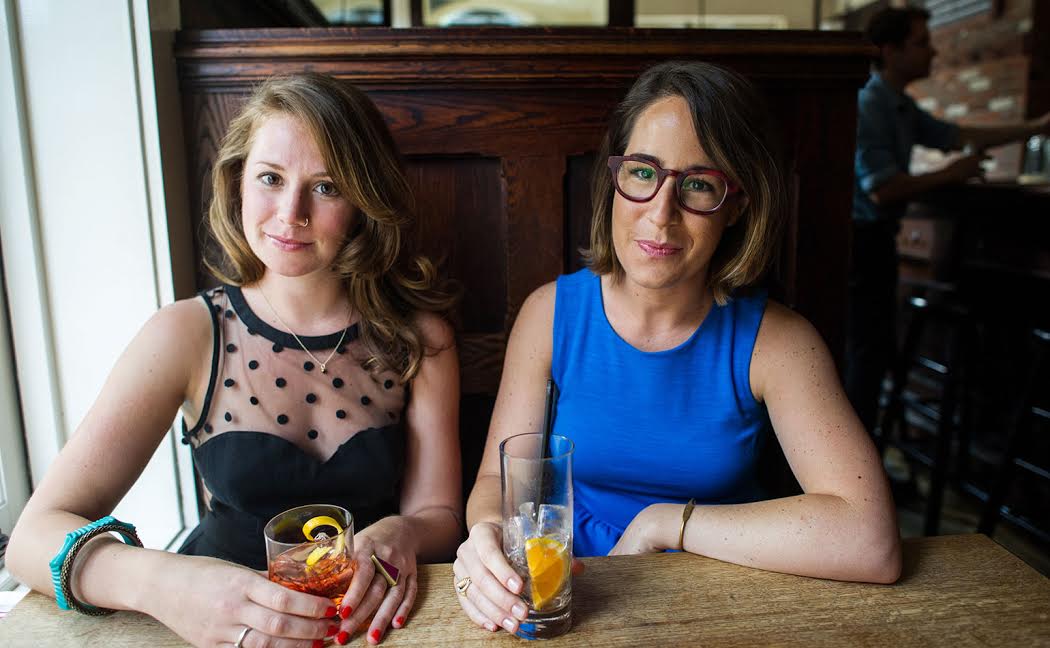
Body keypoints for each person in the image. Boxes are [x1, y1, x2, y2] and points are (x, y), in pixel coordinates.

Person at [8, 73, 463, 648]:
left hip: (365, 626)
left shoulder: (419, 338)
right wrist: (166, 583)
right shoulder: (186, 332)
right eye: (270, 178)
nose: (291, 213)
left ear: (363, 202)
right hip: (210, 632)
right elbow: (30, 539)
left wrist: (404, 531)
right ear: (238, 183)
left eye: (326, 187)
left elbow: (439, 515)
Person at [452, 61, 902, 636]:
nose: (660, 213)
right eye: (643, 173)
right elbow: (495, 485)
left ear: (736, 204)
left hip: (718, 594)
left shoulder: (779, 342)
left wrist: (666, 523)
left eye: (698, 184)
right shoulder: (549, 313)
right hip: (570, 593)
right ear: (613, 180)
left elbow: (870, 540)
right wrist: (487, 537)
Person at [846, 6, 1050, 433]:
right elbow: (882, 188)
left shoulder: (899, 105)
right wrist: (952, 173)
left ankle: (868, 444)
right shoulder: (872, 103)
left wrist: (1035, 126)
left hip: (876, 240)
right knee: (865, 353)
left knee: (873, 351)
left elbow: (959, 135)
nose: (933, 52)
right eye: (922, 43)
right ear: (890, 50)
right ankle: (856, 452)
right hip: (860, 244)